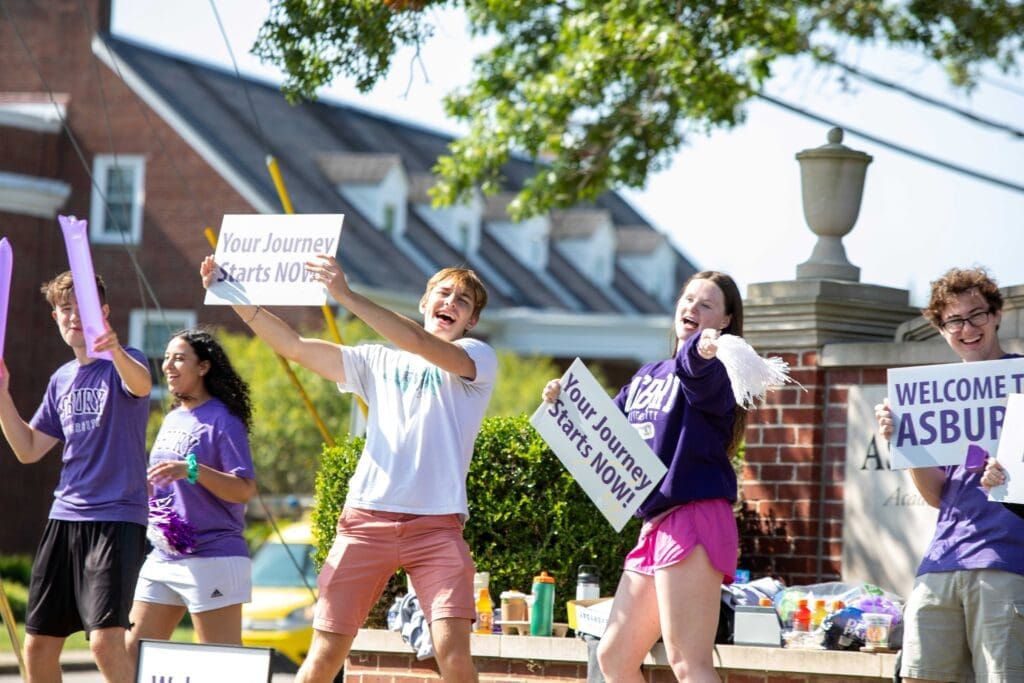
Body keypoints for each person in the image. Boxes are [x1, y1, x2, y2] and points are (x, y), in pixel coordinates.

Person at [200, 253, 497, 683]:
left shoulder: (476, 358)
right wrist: (231, 293)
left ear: (470, 321)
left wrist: (345, 295)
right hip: (365, 522)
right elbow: (295, 347)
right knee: (323, 657)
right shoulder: (376, 361)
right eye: (443, 293)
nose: (451, 302)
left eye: (463, 301)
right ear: (424, 302)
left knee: (453, 656)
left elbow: (418, 343)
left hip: (437, 529)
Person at [543, 271, 745, 683]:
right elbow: (602, 429)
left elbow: (695, 373)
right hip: (656, 525)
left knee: (689, 663)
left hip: (695, 517)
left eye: (706, 305)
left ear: (724, 321)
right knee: (614, 657)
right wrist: (560, 400)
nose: (692, 308)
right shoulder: (646, 375)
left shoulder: (717, 370)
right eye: (688, 299)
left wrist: (704, 351)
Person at [0, 271, 151, 683]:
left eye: (81, 309)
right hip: (65, 517)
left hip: (116, 517)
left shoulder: (127, 361)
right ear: (55, 317)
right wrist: (2, 395)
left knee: (104, 642)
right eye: (65, 310)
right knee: (38, 646)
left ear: (102, 313)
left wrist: (115, 348)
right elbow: (28, 449)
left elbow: (141, 384)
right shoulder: (61, 379)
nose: (72, 317)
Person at [875, 267, 1024, 683]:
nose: (967, 328)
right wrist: (905, 442)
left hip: (1008, 564)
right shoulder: (937, 396)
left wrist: (1013, 476)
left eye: (976, 315)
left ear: (996, 315)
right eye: (953, 321)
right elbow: (937, 495)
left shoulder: (1023, 380)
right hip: (940, 562)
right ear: (942, 330)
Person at [125, 329, 257, 659]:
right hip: (164, 554)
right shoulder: (172, 418)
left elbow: (244, 489)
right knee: (128, 655)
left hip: (213, 554)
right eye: (167, 357)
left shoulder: (224, 421)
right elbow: (162, 482)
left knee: (220, 664)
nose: (168, 364)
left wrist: (192, 470)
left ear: (204, 367)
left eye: (179, 358)